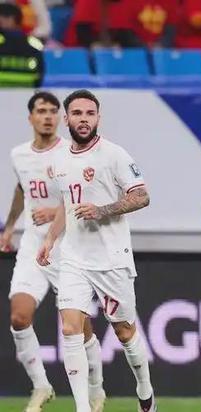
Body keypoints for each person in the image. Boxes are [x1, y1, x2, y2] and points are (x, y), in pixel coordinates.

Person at [36, 89, 156, 412]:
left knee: (125, 332)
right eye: (77, 113)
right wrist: (50, 239)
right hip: (74, 258)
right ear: (66, 119)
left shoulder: (114, 155)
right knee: (69, 328)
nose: (84, 119)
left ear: (98, 118)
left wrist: (102, 210)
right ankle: (83, 408)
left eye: (90, 114)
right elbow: (67, 204)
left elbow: (142, 196)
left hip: (111, 259)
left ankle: (145, 390)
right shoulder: (59, 159)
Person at [1, 91, 106, 412]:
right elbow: (22, 189)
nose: (46, 116)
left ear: (59, 118)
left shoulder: (70, 152)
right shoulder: (19, 155)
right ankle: (41, 386)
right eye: (41, 111)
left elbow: (84, 194)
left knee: (78, 325)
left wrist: (54, 211)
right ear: (31, 117)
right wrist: (9, 227)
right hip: (34, 245)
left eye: (51, 111)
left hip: (67, 247)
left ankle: (96, 388)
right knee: (19, 316)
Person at [0, 3, 44, 87]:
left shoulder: (34, 44)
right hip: (28, 92)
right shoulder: (34, 44)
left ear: (11, 19)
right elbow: (40, 76)